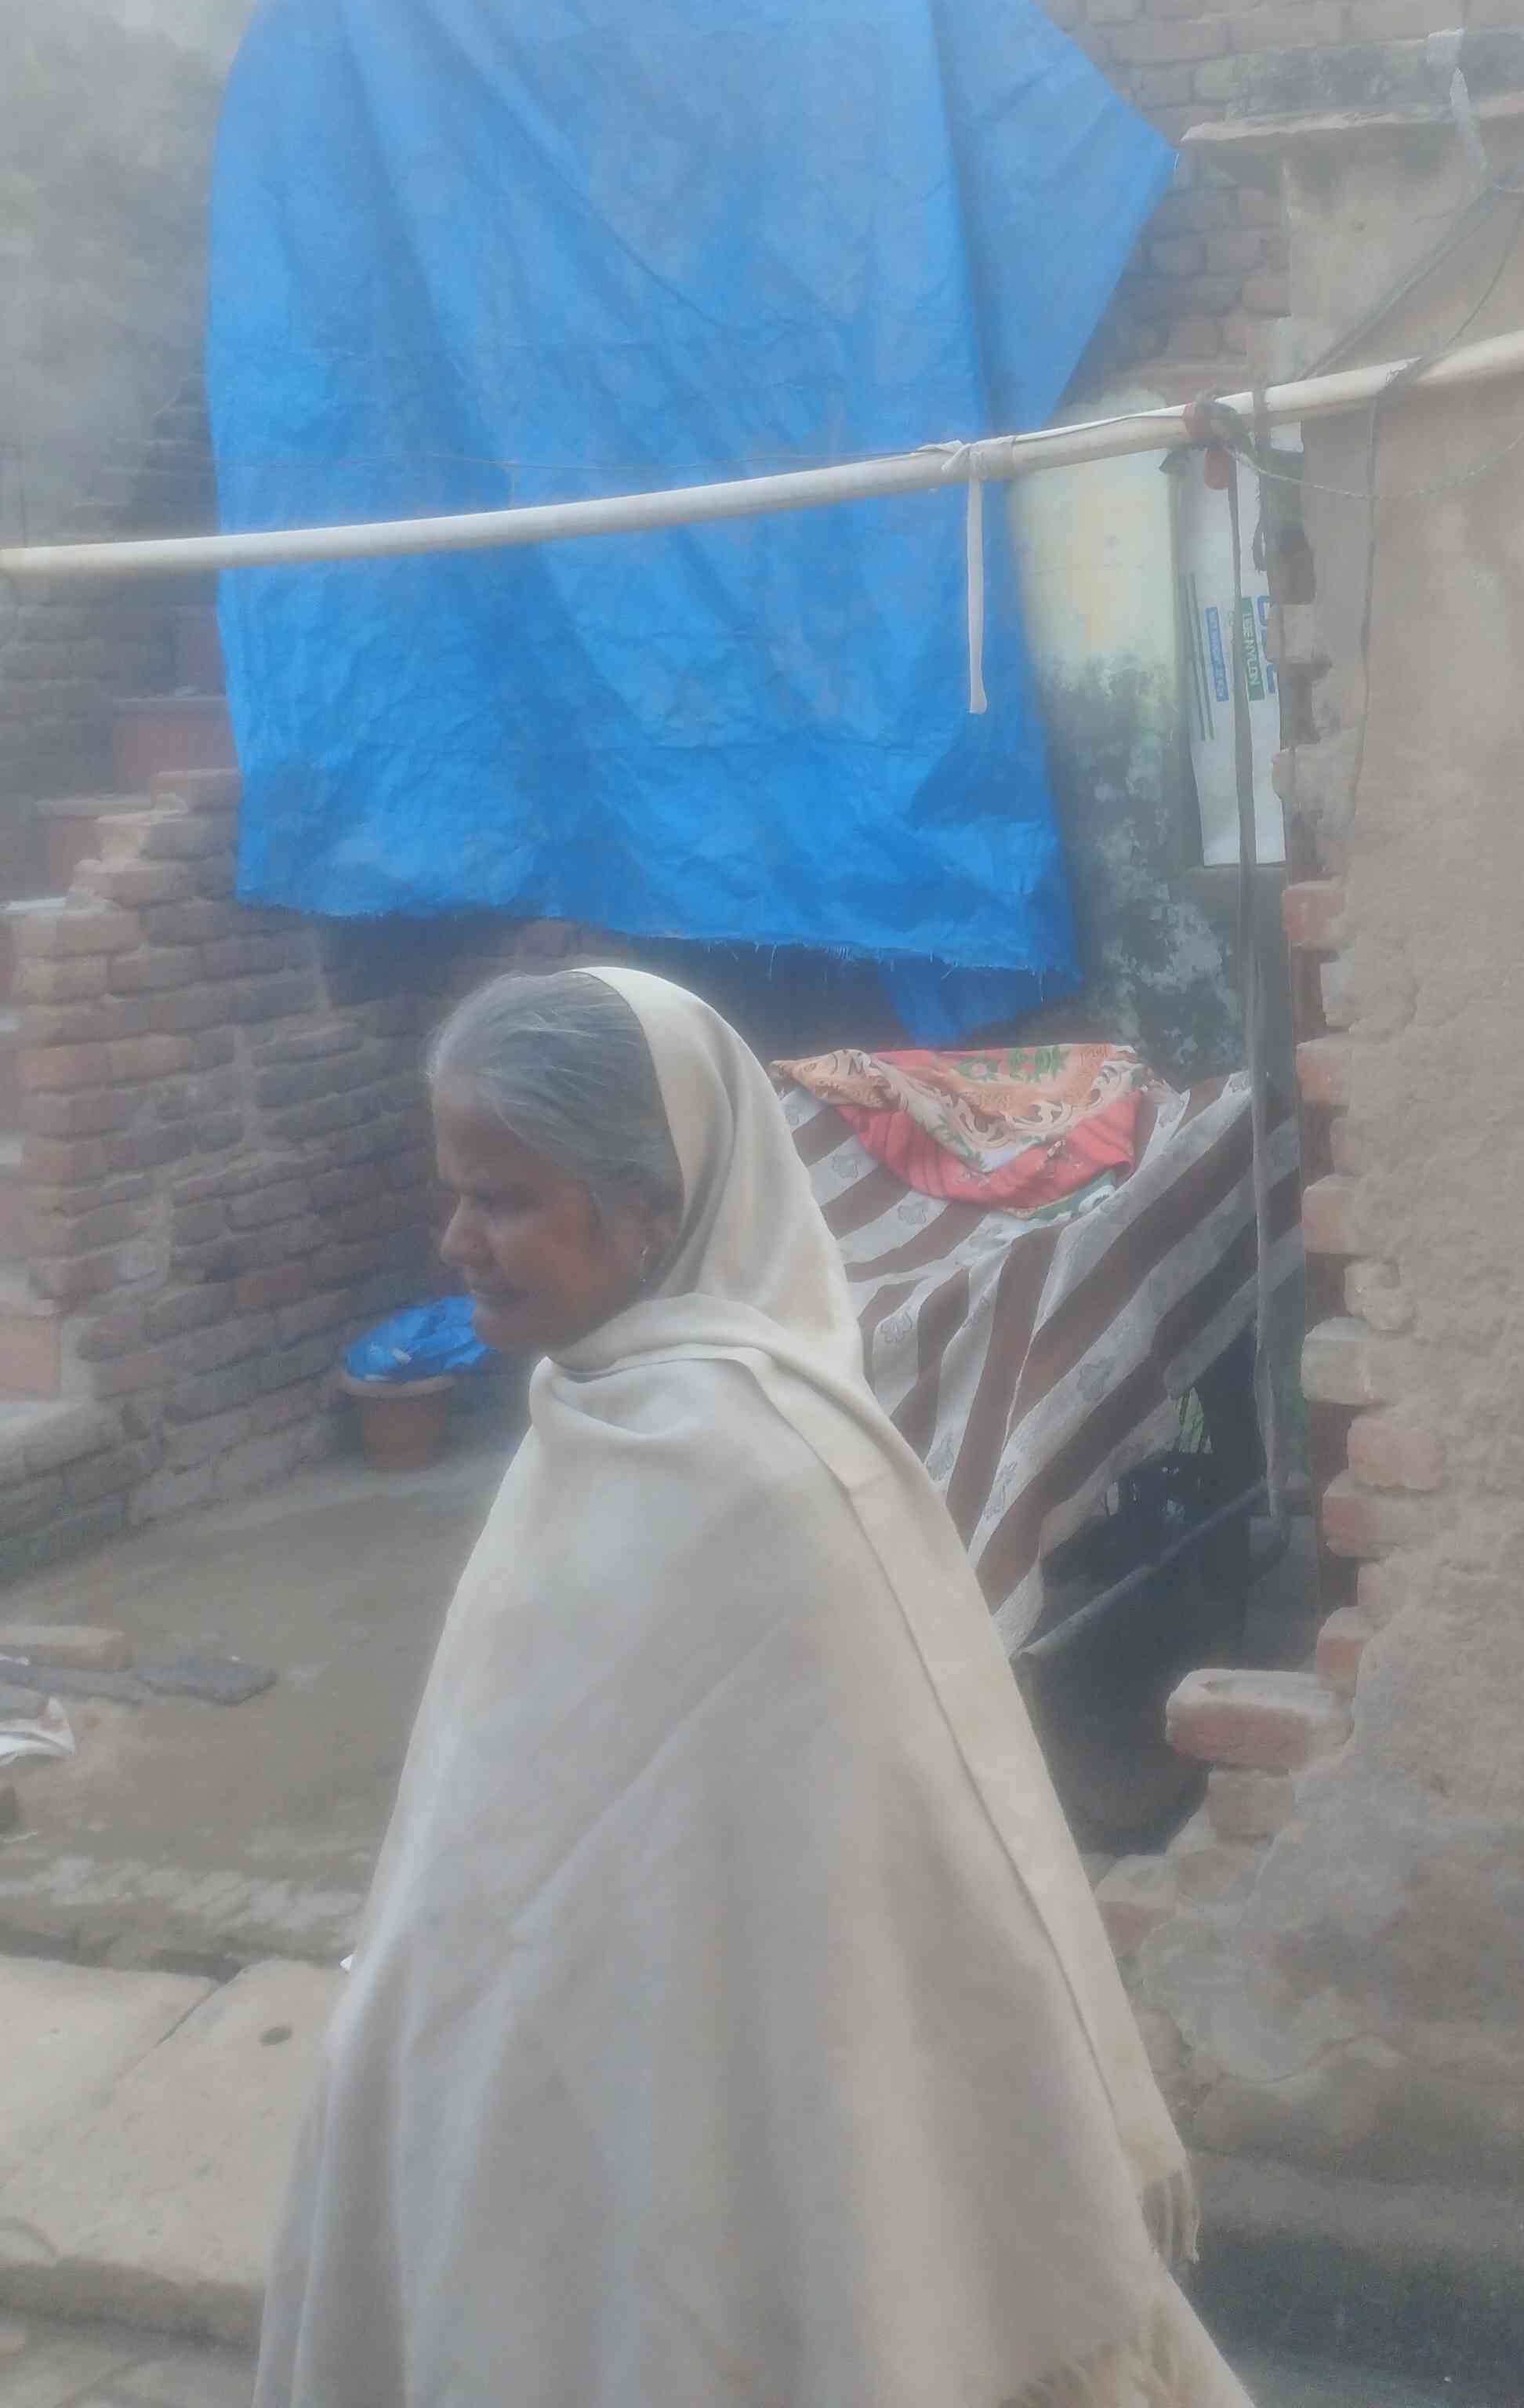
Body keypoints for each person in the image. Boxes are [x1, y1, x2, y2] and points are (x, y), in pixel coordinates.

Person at [258, 964, 1253, 2408]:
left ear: (648, 1206)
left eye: (503, 1199)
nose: (456, 1240)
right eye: (457, 1195)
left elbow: (898, 1903)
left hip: (744, 2129)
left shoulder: (776, 1476)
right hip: (548, 2115)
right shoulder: (585, 1416)